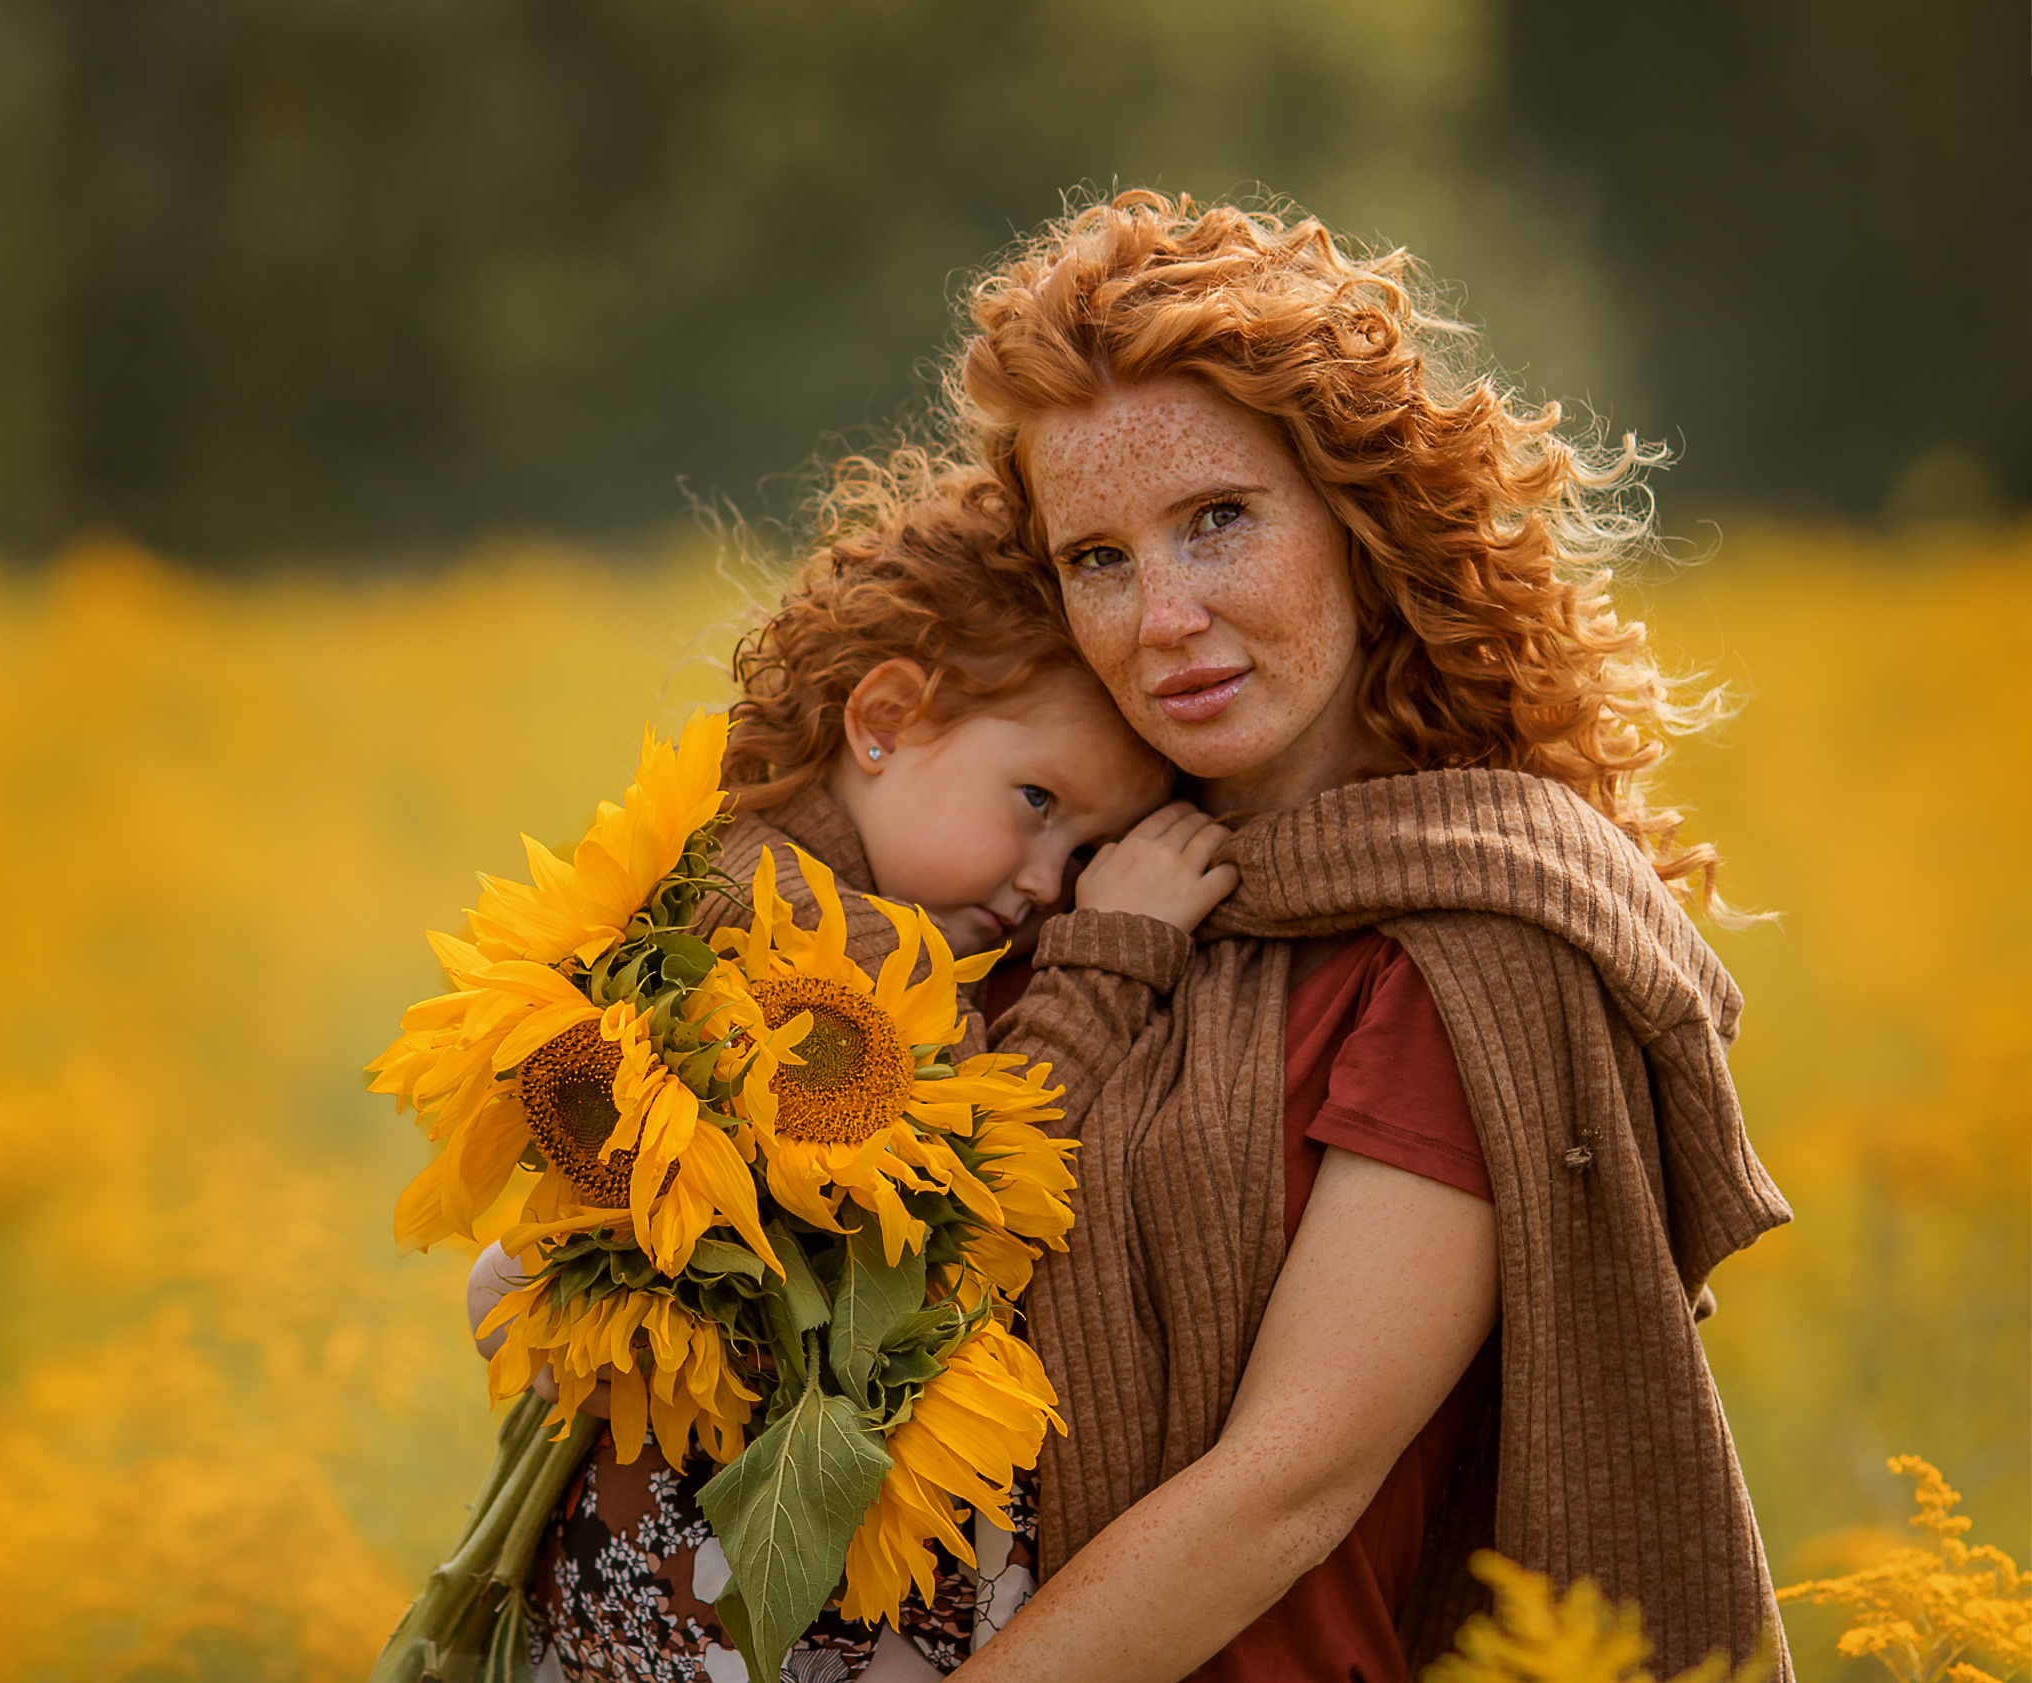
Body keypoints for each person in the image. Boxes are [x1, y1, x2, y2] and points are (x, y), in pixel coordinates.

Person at [939, 192, 1794, 1682]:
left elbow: (1289, 1485)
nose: (1164, 618)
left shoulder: (1478, 949)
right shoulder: (1057, 900)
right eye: (1099, 558)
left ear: (1354, 516)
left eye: (1217, 520)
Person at [467, 449, 1242, 1682]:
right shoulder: (831, 953)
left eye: (1087, 848)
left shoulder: (732, 854)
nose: (1049, 882)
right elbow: (963, 1170)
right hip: (725, 1577)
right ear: (882, 720)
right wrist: (1112, 960)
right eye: (1036, 801)